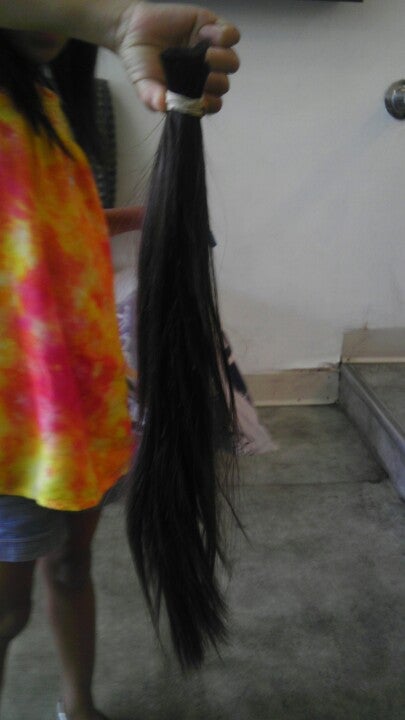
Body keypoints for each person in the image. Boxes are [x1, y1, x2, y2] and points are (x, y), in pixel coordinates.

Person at [0, 3, 240, 719]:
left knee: (72, 567)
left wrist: (142, 217)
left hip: (83, 402)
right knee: (7, 610)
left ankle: (78, 706)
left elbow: (46, 222)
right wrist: (118, 18)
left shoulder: (43, 103)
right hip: (14, 430)